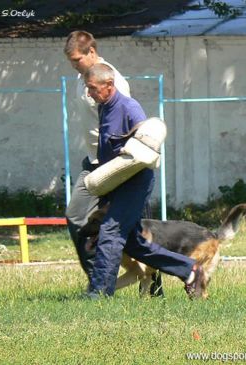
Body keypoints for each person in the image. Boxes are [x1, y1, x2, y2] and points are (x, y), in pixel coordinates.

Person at [84, 63, 204, 299]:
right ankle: (190, 270)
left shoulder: (129, 107)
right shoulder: (104, 107)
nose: (89, 93)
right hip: (116, 183)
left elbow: (149, 140)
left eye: (92, 88)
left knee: (110, 231)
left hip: (134, 182)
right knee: (134, 244)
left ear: (109, 85)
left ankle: (98, 295)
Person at [63, 31, 162, 296]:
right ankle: (100, 281)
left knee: (137, 228)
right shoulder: (82, 79)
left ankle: (152, 286)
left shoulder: (112, 81)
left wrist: (123, 169)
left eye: (77, 60)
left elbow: (128, 129)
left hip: (117, 165)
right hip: (94, 161)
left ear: (92, 52)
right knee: (76, 216)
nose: (74, 65)